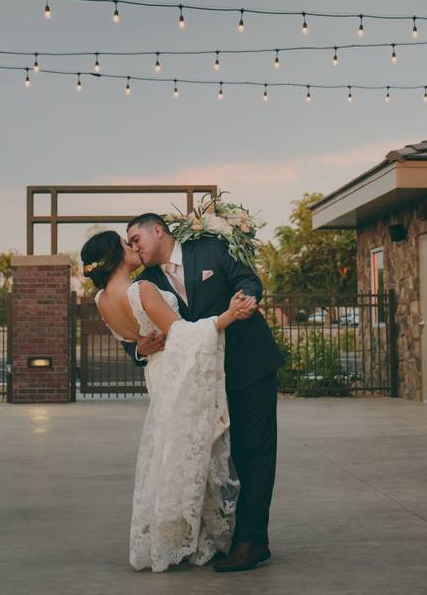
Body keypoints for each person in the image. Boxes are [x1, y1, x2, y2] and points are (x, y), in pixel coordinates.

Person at [81, 229, 256, 573]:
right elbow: (182, 336)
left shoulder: (102, 299)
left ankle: (175, 533)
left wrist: (138, 348)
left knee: (170, 451)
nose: (133, 247)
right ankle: (196, 536)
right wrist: (229, 315)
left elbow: (137, 340)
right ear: (116, 256)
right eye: (125, 244)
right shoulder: (142, 289)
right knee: (193, 451)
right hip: (177, 374)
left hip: (157, 375)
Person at [124, 213, 285, 572]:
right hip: (203, 386)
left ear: (158, 230)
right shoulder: (146, 282)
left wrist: (247, 298)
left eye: (137, 239)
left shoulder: (209, 249)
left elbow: (247, 277)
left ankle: (252, 541)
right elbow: (134, 332)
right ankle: (228, 536)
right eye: (130, 244)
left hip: (250, 368)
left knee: (254, 453)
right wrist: (139, 350)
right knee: (221, 462)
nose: (134, 248)